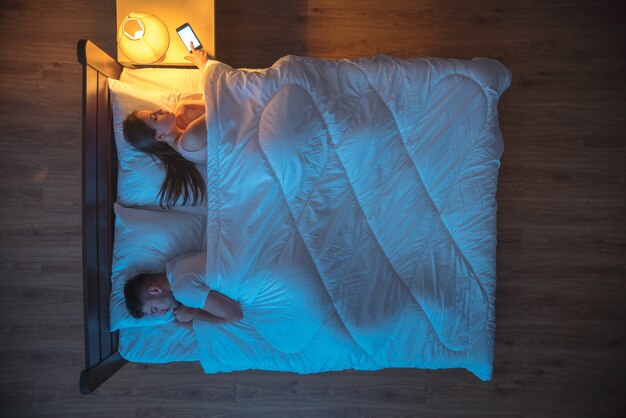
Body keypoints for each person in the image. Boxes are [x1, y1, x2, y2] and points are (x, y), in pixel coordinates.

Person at [121, 45, 212, 208]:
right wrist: (204, 68)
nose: (159, 109)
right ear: (160, 136)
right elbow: (220, 103)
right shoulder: (189, 140)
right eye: (155, 116)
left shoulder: (185, 143)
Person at [124, 251, 243, 326]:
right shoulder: (177, 262)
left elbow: (235, 315)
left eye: (154, 308)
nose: (163, 313)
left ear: (154, 290)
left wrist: (195, 313)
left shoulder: (182, 291)